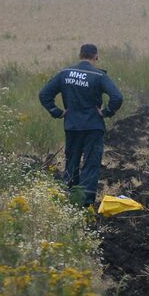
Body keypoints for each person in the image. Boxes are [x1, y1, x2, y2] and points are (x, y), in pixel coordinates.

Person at [39, 43, 124, 207]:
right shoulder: (99, 76)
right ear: (96, 57)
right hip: (93, 127)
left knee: (72, 162)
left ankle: (69, 199)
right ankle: (85, 203)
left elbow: (44, 94)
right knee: (91, 163)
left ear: (80, 55)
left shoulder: (64, 73)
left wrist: (56, 111)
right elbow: (117, 97)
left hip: (72, 125)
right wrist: (106, 112)